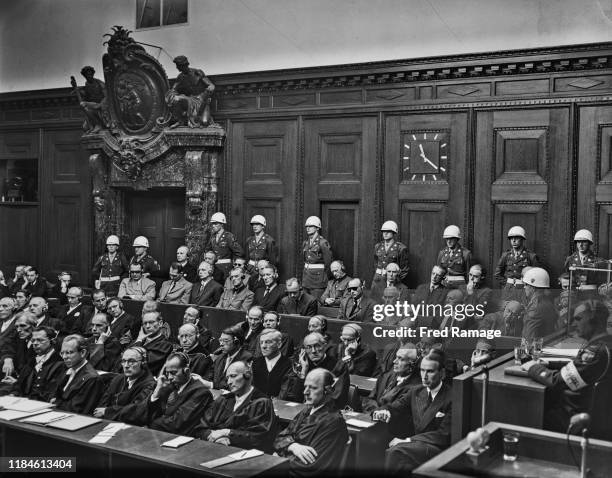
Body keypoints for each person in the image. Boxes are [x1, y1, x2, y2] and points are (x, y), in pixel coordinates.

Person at [522, 299, 612, 432]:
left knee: (526, 413)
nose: (574, 324)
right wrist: (548, 363)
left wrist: (532, 367)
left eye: (578, 319)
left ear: (594, 321)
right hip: (591, 414)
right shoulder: (605, 344)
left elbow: (556, 381)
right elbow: (582, 368)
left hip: (570, 418)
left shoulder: (595, 352)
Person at [373, 349, 452, 475]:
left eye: (430, 371)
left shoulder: (451, 396)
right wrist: (385, 411)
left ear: (442, 373)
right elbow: (395, 407)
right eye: (422, 370)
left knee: (396, 451)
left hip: (437, 448)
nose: (424, 376)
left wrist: (409, 440)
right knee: (377, 442)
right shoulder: (416, 391)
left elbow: (443, 435)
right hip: (416, 445)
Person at [273, 368, 349, 478]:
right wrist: (293, 446)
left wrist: (278, 462)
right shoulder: (307, 410)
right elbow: (279, 438)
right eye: (305, 387)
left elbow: (312, 466)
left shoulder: (333, 422)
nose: (305, 392)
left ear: (327, 390)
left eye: (313, 388)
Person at [194, 360, 277, 451]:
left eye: (233, 376)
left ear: (248, 375)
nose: (229, 382)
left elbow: (259, 438)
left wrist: (228, 433)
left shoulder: (262, 403)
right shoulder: (223, 400)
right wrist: (215, 437)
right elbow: (201, 427)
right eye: (227, 378)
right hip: (213, 448)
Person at [137, 352, 213, 435]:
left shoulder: (200, 392)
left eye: (173, 373)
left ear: (186, 371)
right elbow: (143, 410)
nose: (169, 377)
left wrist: (147, 421)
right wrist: (157, 391)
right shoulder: (168, 386)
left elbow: (176, 424)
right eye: (167, 373)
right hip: (158, 432)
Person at [93, 346, 156, 423]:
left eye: (131, 361)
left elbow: (134, 412)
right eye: (123, 361)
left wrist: (107, 412)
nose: (126, 365)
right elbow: (102, 405)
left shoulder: (149, 385)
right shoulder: (117, 379)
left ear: (143, 363)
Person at [294, 332, 349, 408]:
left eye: (317, 346)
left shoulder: (339, 366)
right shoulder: (303, 365)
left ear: (324, 346)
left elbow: (338, 397)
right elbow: (296, 398)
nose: (313, 351)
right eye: (309, 347)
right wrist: (303, 371)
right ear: (304, 350)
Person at [363, 345, 421, 417]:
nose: (394, 361)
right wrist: (375, 413)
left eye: (400, 359)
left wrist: (376, 413)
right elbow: (369, 399)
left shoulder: (416, 387)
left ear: (412, 364)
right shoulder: (385, 376)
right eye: (396, 357)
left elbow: (396, 410)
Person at [53, 334, 102, 414]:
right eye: (62, 353)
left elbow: (78, 409)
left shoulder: (92, 378)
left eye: (69, 353)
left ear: (82, 353)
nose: (64, 357)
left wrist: (55, 404)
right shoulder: (67, 371)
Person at [14, 326, 65, 401]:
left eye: (40, 340)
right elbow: (19, 386)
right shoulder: (31, 361)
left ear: (52, 341)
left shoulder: (59, 363)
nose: (35, 343)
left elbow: (52, 392)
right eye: (33, 340)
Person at [166, 55, 215, 128]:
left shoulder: (197, 72)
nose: (177, 67)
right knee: (176, 99)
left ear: (184, 65)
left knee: (204, 122)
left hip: (201, 100)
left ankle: (193, 119)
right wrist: (171, 95)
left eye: (178, 65)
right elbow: (174, 89)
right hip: (189, 100)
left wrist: (210, 88)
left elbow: (210, 85)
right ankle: (180, 121)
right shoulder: (180, 77)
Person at [495, 226, 540, 303]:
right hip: (508, 291)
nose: (514, 240)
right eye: (511, 238)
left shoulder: (531, 256)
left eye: (517, 238)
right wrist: (507, 284)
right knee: (506, 311)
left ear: (522, 239)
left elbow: (537, 276)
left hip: (524, 291)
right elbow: (497, 274)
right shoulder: (506, 255)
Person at [125, 311, 174, 377]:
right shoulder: (135, 341)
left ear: (160, 323)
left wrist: (139, 341)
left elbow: (143, 364)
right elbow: (120, 361)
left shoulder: (165, 345)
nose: (147, 326)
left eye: (151, 322)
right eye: (145, 323)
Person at [252, 329, 296, 399]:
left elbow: (285, 394)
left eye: (268, 342)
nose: (263, 346)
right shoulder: (255, 363)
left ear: (279, 344)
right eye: (261, 343)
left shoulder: (289, 365)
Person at [564, 229, 605, 299]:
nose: (580, 245)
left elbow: (601, 284)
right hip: (574, 296)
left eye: (584, 241)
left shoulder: (598, 261)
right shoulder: (570, 260)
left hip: (591, 296)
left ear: (589, 243)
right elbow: (567, 277)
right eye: (578, 242)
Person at [212, 325, 253, 390]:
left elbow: (236, 384)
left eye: (226, 341)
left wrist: (212, 385)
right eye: (220, 340)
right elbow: (210, 376)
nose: (221, 344)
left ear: (236, 342)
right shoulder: (220, 357)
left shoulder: (246, 358)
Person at [205, 212, 243, 282]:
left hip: (226, 268)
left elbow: (239, 252)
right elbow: (207, 250)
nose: (213, 226)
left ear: (222, 224)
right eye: (213, 224)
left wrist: (234, 265)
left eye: (216, 224)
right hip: (215, 267)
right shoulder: (212, 237)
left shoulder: (229, 236)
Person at [301, 216, 333, 299]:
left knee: (316, 305)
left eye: (311, 226)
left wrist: (324, 279)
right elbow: (304, 261)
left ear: (317, 228)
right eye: (307, 227)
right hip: (306, 280)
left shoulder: (323, 243)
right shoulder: (305, 243)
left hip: (318, 281)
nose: (308, 228)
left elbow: (329, 264)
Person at [522, 267, 557, 340]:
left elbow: (529, 338)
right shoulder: (548, 301)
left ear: (533, 287)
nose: (524, 287)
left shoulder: (535, 308)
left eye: (526, 285)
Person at [372, 220, 409, 287]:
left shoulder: (400, 248)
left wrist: (395, 280)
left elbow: (404, 270)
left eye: (388, 231)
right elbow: (375, 263)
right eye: (383, 231)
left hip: (393, 282)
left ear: (394, 232)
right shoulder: (378, 246)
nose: (385, 233)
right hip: (377, 280)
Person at [76, 65, 107, 132]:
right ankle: (95, 125)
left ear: (93, 74)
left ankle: (98, 125)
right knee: (85, 127)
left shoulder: (99, 83)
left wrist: (100, 105)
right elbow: (87, 98)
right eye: (87, 75)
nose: (89, 76)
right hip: (93, 106)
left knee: (83, 104)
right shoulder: (87, 84)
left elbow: (107, 96)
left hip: (101, 105)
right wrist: (80, 91)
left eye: (90, 74)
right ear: (84, 76)